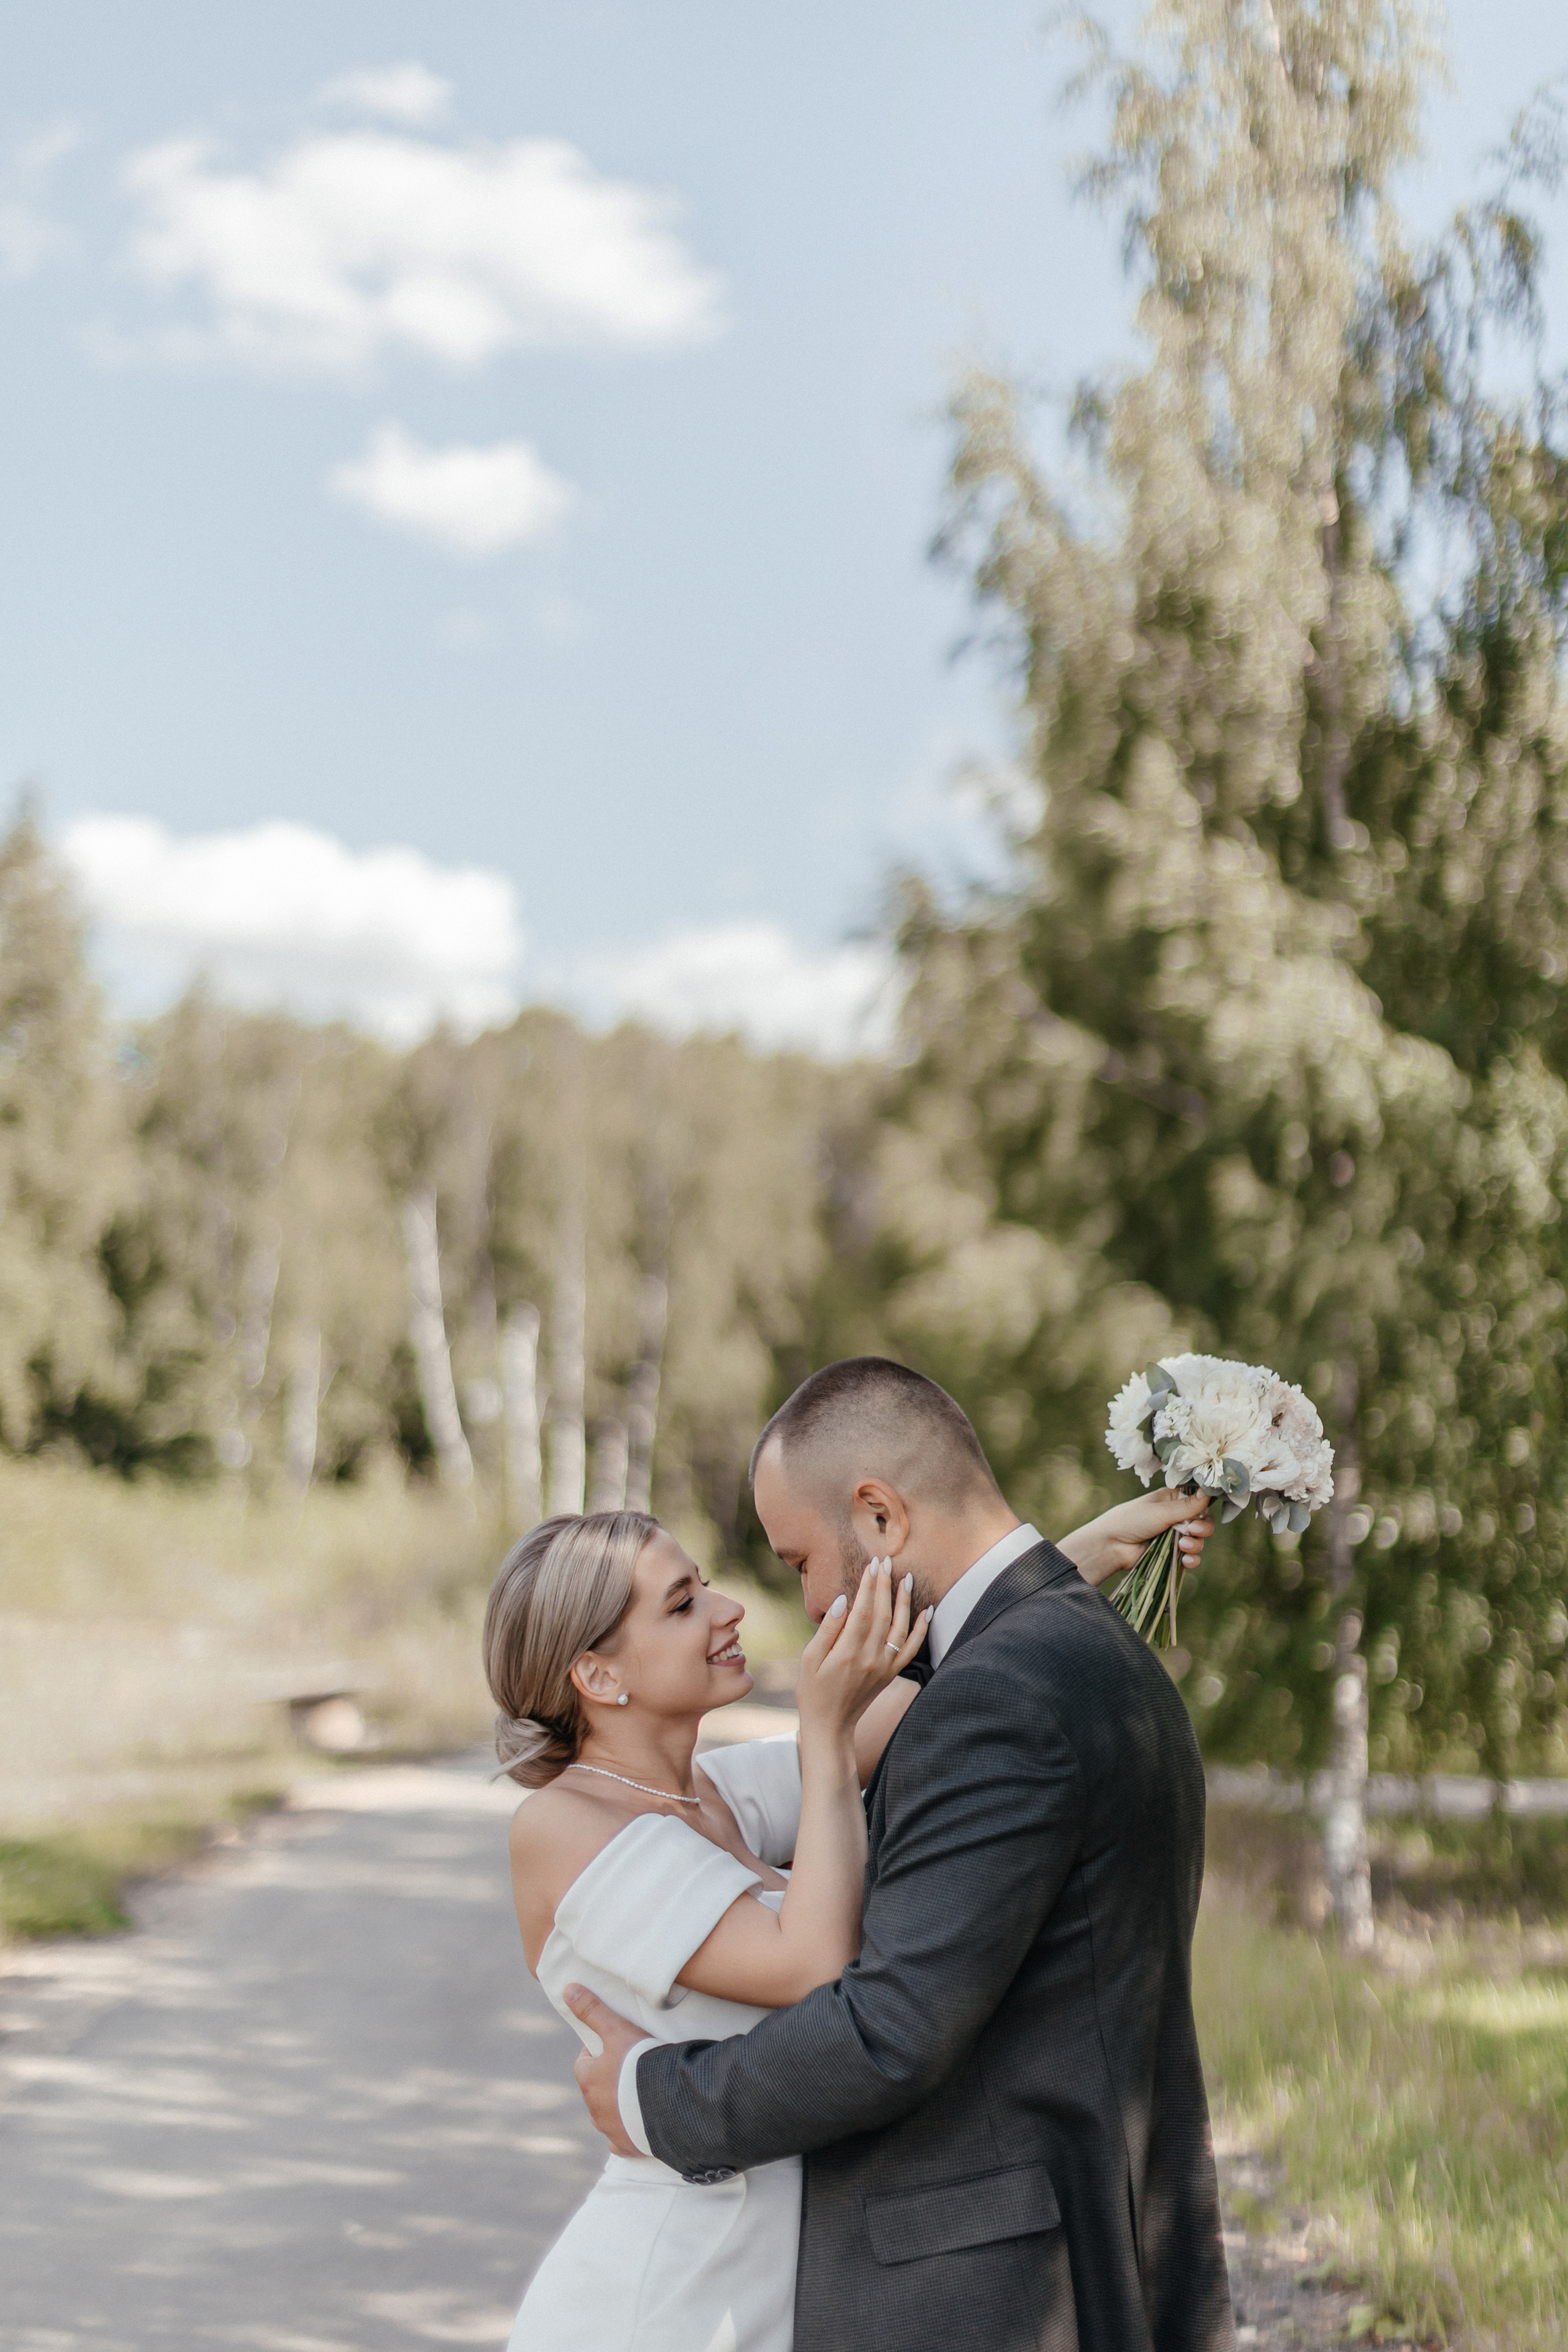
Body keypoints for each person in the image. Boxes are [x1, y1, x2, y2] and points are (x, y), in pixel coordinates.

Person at [565, 1357, 1234, 2352]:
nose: (809, 1603)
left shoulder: (998, 1700)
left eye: (799, 1564)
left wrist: (654, 2098)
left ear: (879, 1519)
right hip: (1075, 2250)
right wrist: (1073, 1554)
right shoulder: (1077, 1654)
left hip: (983, 2296)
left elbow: (889, 2030)